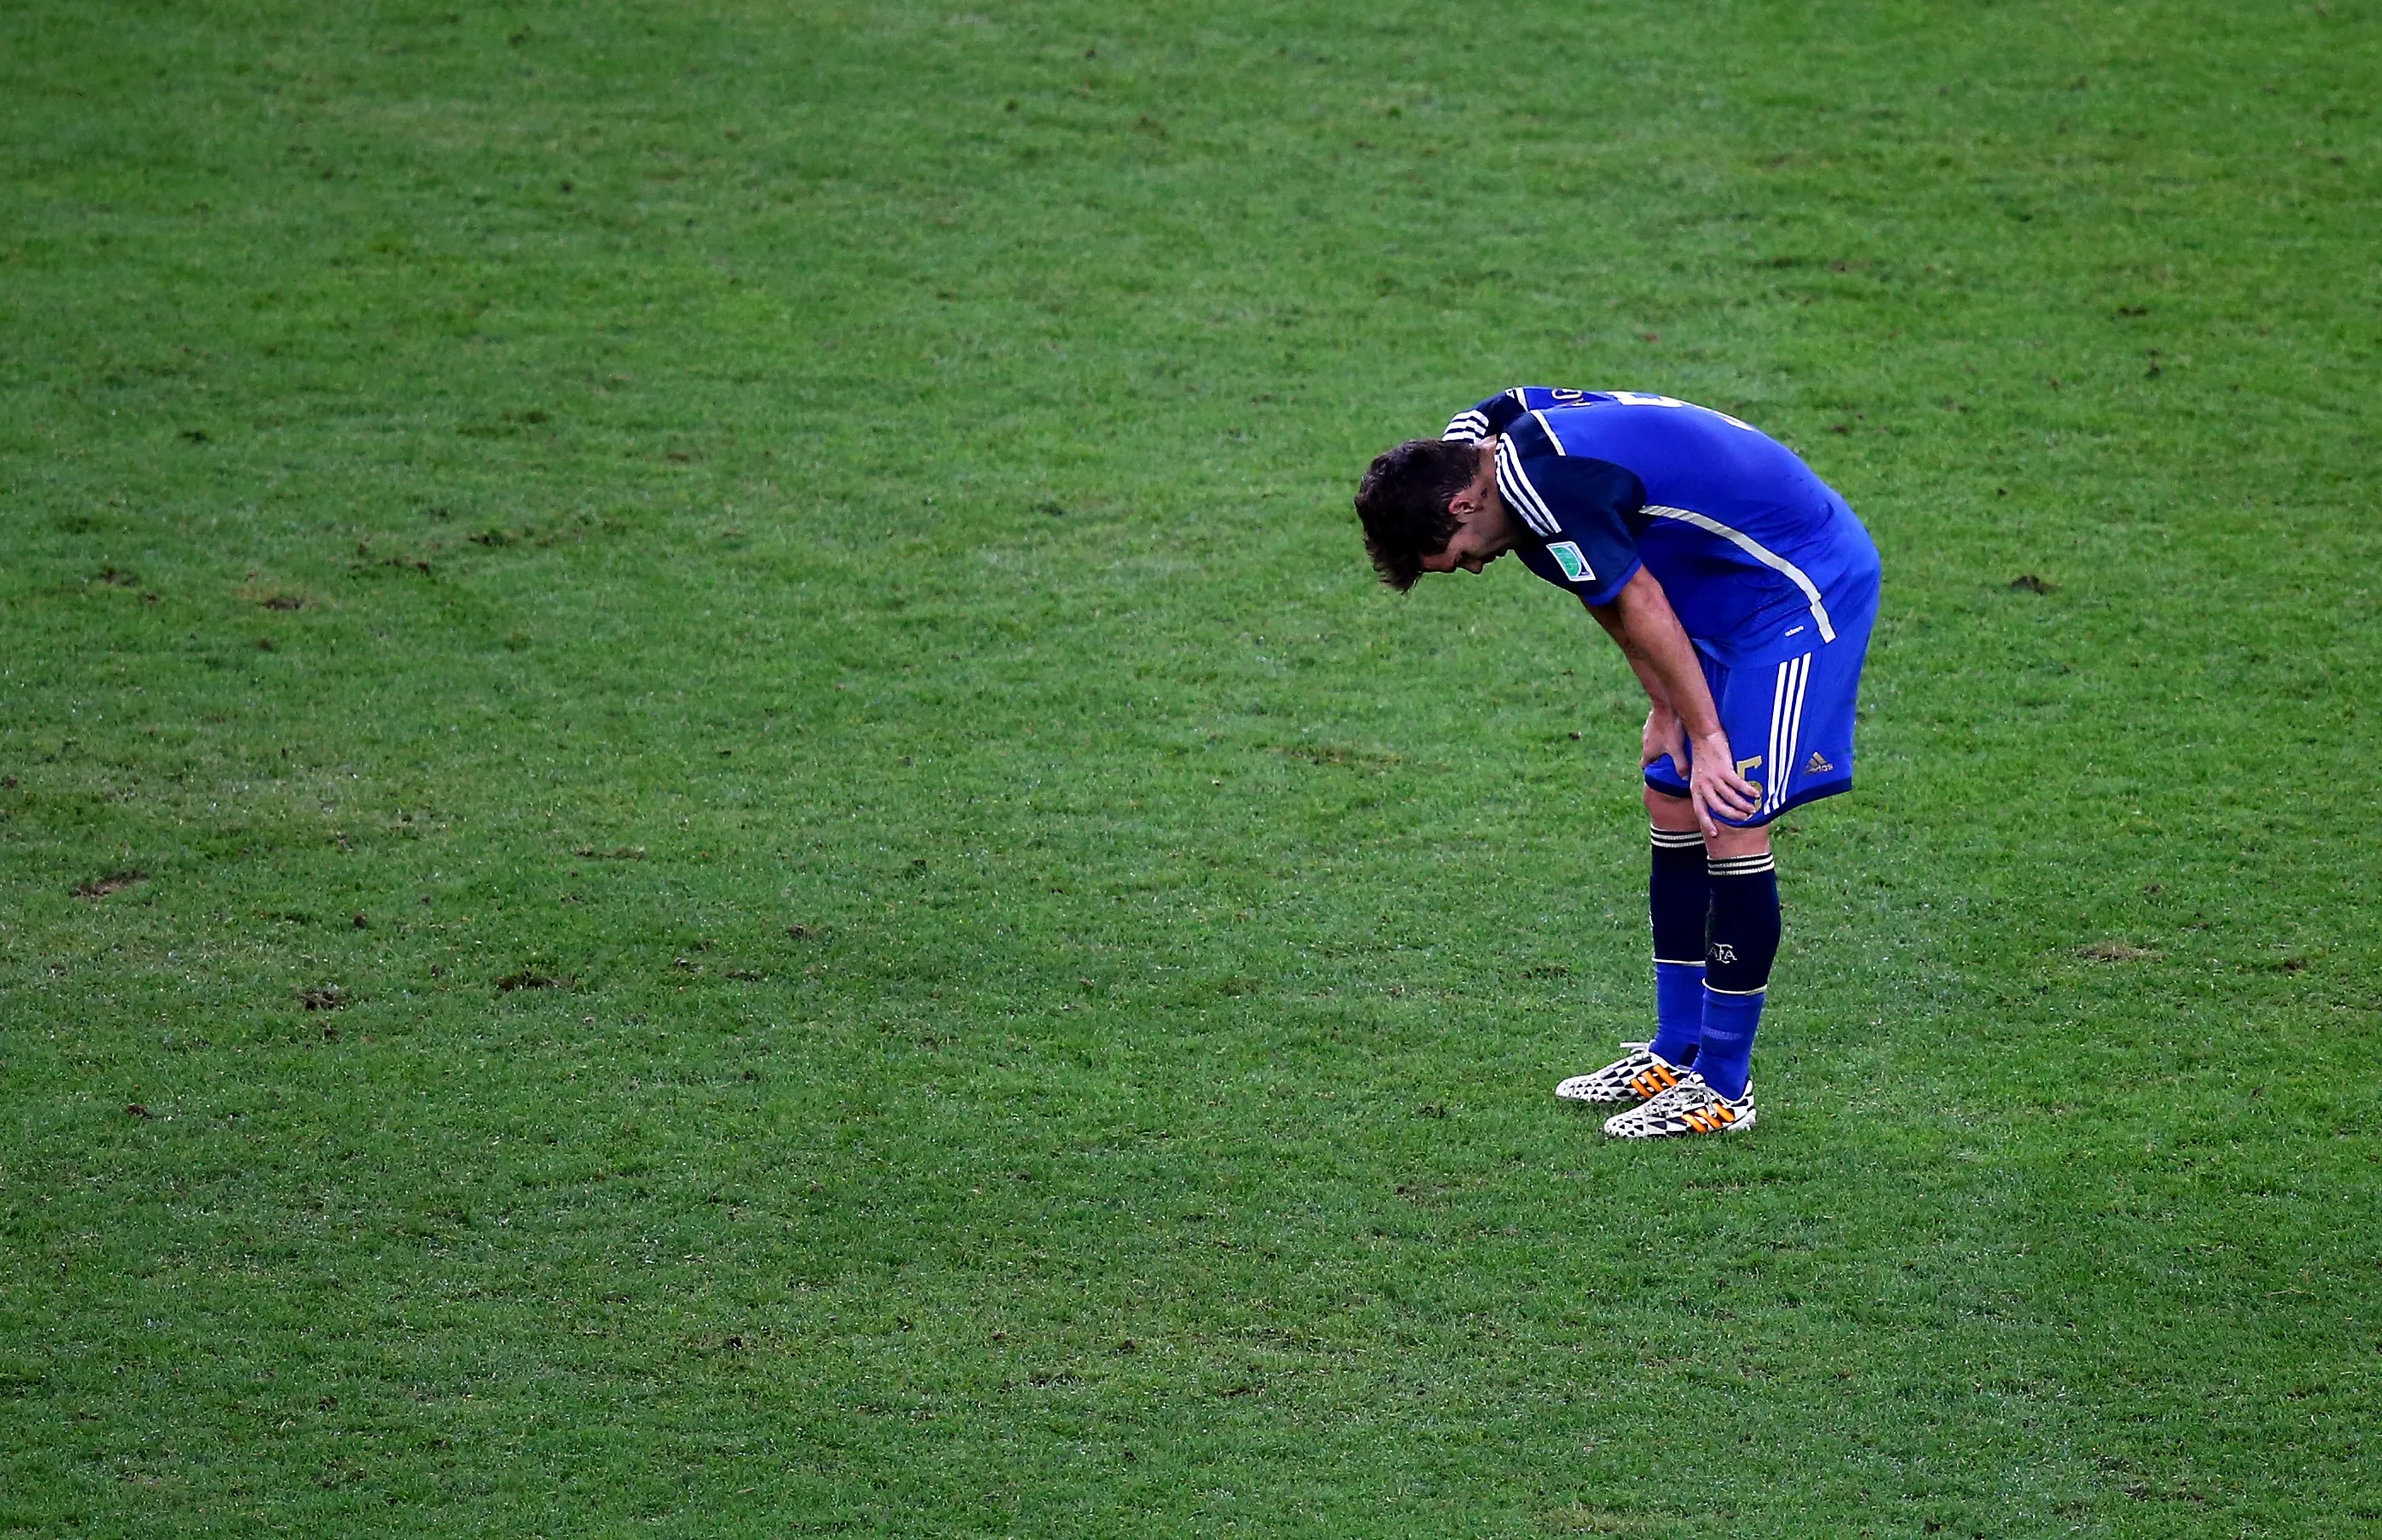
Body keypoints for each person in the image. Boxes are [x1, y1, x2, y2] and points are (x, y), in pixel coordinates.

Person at [1353, 388, 1881, 1138]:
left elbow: (1640, 601)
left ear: (1462, 508)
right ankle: (1678, 1049)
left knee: (1727, 804)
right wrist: (1665, 709)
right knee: (1669, 796)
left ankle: (1725, 1089)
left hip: (1793, 583)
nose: (1470, 570)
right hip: (1713, 580)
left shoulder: (1540, 483)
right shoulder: (1479, 446)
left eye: (1459, 558)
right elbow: (1596, 583)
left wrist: (1711, 739)